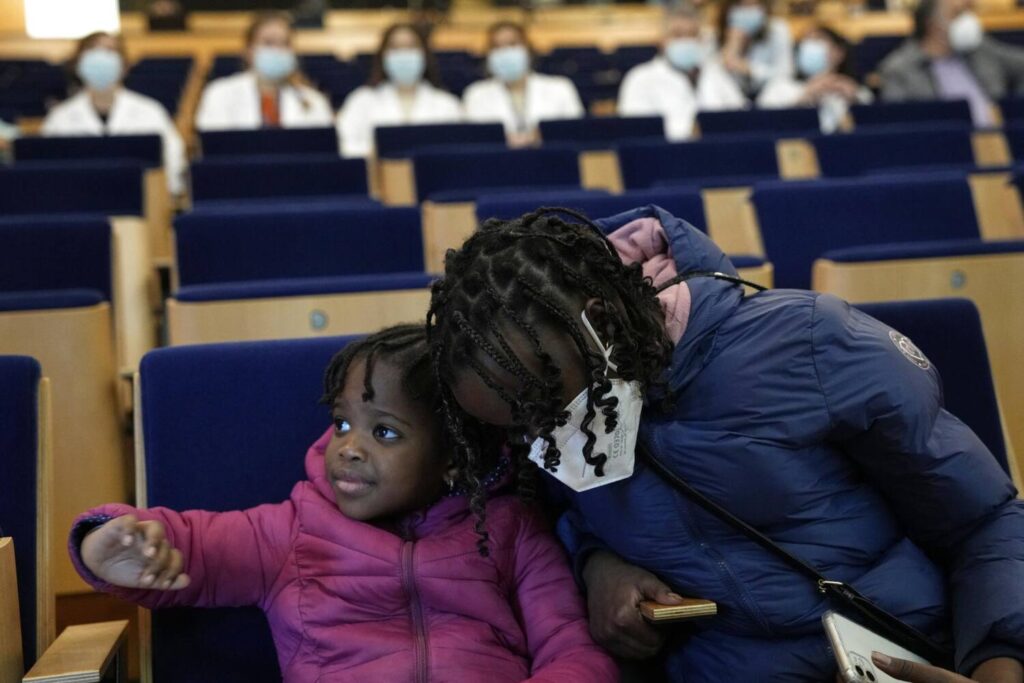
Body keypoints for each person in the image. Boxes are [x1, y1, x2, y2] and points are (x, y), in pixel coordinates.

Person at [426, 207, 1024, 681]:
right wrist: (600, 566)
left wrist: (998, 664)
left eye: (542, 409)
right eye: (517, 427)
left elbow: (984, 523)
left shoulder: (811, 346)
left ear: (601, 325)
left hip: (908, 650)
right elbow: (564, 515)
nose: (541, 437)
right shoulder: (547, 407)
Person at [67, 325, 617, 683]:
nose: (349, 448)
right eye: (343, 423)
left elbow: (569, 646)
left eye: (387, 433)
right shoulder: (294, 529)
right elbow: (195, 545)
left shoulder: (510, 530)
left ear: (453, 459)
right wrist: (106, 543)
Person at [41, 32, 186, 195]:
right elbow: (50, 172)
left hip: (142, 205)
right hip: (78, 202)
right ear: (77, 64)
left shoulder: (151, 111)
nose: (101, 58)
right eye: (93, 51)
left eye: (110, 51)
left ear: (124, 65)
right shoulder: (59, 118)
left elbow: (173, 161)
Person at [880, 0, 1024, 126]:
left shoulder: (980, 50)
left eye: (967, 13)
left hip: (998, 142)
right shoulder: (899, 70)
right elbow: (897, 121)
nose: (967, 21)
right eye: (957, 14)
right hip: (943, 146)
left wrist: (1012, 111)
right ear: (932, 24)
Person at [617, 4, 747, 141]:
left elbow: (741, 118)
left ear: (701, 39)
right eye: (678, 35)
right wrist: (690, 133)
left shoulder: (717, 73)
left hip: (721, 154)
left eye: (692, 35)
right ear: (662, 40)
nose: (686, 41)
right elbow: (636, 133)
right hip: (665, 158)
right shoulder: (640, 79)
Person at [336, 23, 462, 158]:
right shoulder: (361, 101)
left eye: (411, 47)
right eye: (395, 48)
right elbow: (343, 144)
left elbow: (457, 150)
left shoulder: (447, 105)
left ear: (424, 54)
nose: (404, 54)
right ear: (383, 55)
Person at [194, 11, 333, 132]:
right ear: (249, 50)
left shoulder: (314, 101)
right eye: (268, 43)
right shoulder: (220, 94)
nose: (277, 51)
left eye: (285, 44)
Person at [462, 22, 584, 148]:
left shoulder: (561, 88)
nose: (506, 52)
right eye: (497, 47)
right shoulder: (475, 94)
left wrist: (541, 136)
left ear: (528, 49)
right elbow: (474, 139)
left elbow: (576, 133)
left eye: (513, 44)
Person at [758, 25, 873, 133]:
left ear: (839, 53)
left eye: (818, 40)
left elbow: (872, 123)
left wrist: (854, 101)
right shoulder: (779, 88)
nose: (811, 47)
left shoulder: (855, 91)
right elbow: (763, 121)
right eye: (806, 42)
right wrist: (804, 97)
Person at [719, 0, 794, 96]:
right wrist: (733, 46)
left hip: (769, 96)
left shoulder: (778, 29)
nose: (747, 12)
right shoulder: (721, 33)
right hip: (735, 100)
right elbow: (718, 80)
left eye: (753, 5)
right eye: (742, 6)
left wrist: (751, 70)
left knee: (783, 88)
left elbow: (786, 74)